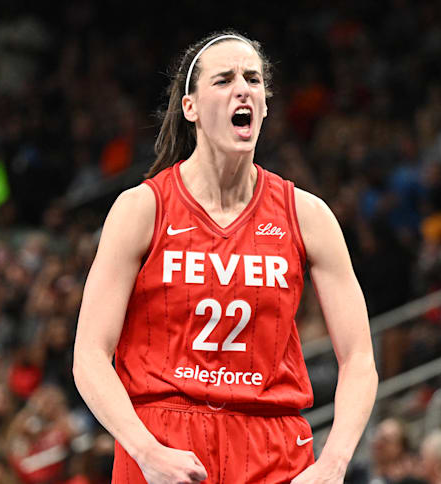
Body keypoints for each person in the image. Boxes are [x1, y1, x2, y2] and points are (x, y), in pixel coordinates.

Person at [73, 30, 378, 483]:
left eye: (253, 79)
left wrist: (333, 464)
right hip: (164, 444)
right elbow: (90, 356)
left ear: (265, 104)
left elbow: (359, 359)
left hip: (273, 445)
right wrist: (144, 450)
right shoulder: (142, 209)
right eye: (224, 79)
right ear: (190, 106)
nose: (243, 88)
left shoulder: (307, 214)